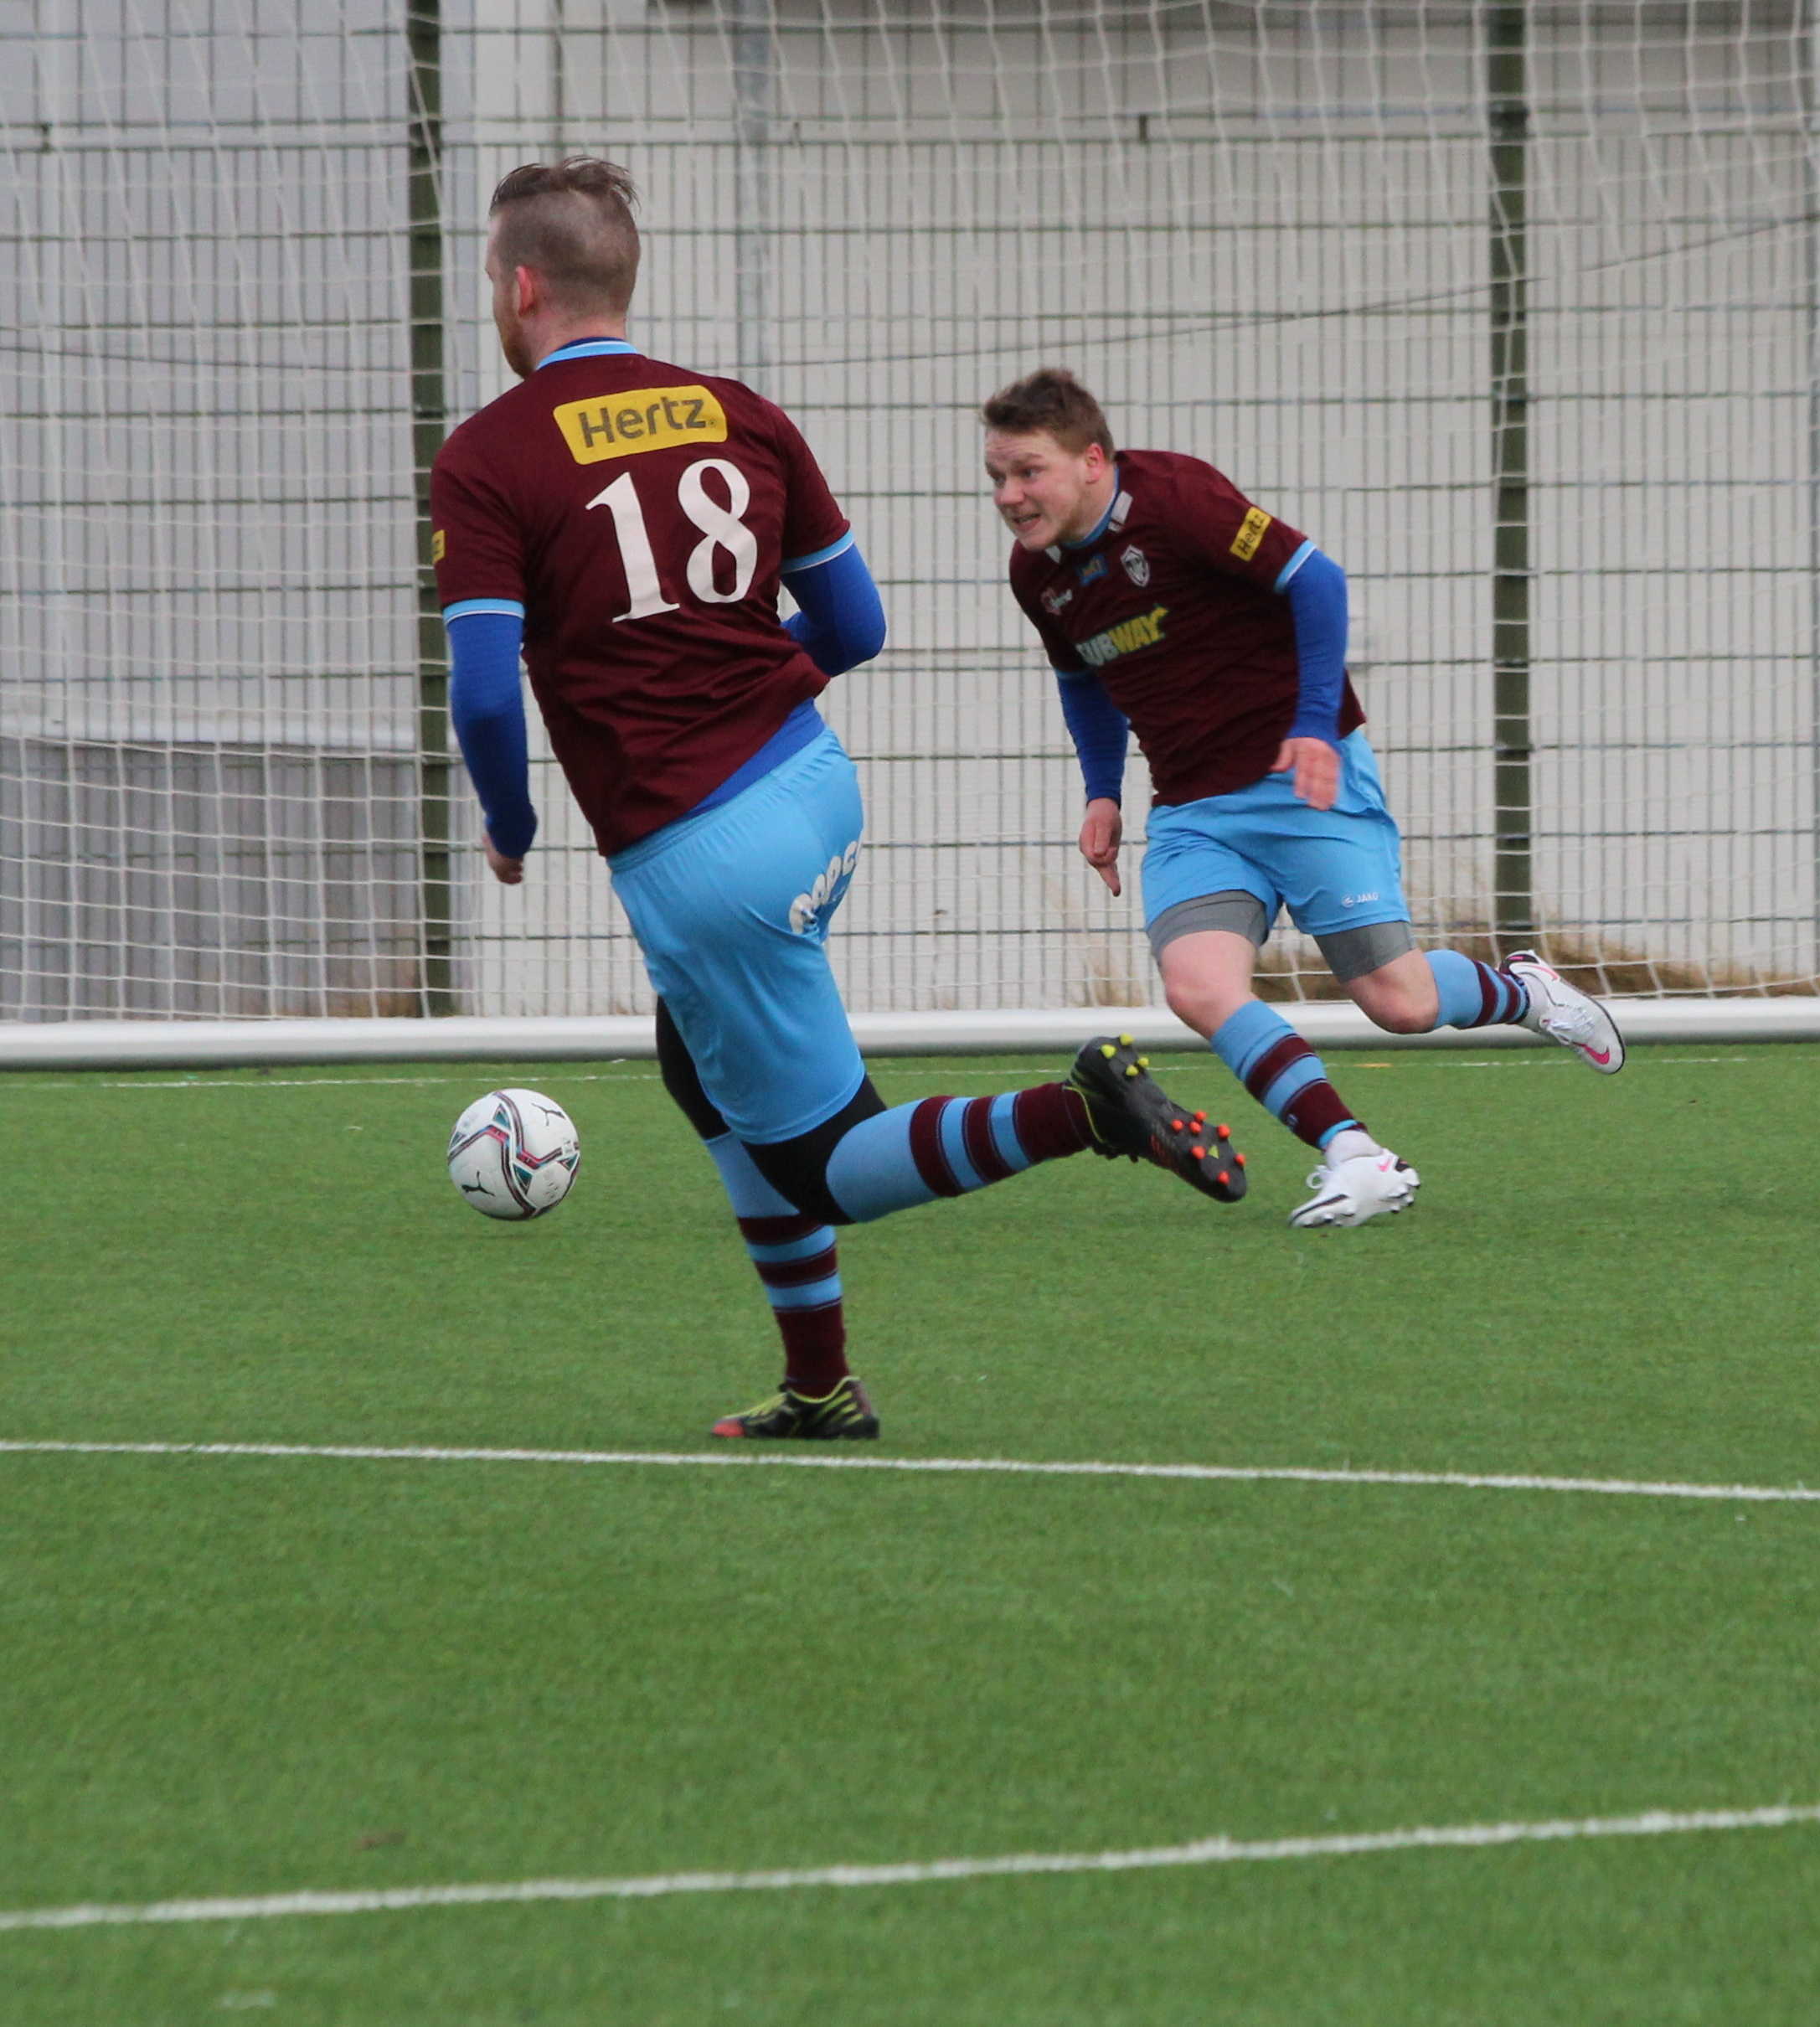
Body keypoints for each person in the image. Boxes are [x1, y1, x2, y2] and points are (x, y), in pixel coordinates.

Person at [435, 161, 1245, 1444]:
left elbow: (485, 697)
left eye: (491, 275)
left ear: (521, 286)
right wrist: (746, 686)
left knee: (829, 1166)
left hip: (704, 855)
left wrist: (511, 822)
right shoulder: (740, 414)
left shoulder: (488, 455)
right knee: (699, 1068)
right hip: (810, 782)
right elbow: (855, 624)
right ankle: (818, 1386)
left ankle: (1081, 1110)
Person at [982, 369, 1625, 1230]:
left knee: (1399, 1003)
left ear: (1091, 460)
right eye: (997, 476)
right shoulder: (1035, 575)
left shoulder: (1176, 499)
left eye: (1028, 472)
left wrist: (1316, 727)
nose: (1010, 496)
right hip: (1193, 810)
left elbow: (1316, 580)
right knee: (1196, 986)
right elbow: (1082, 681)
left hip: (1303, 778)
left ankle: (1526, 992)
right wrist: (1102, 792)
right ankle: (1357, 1155)